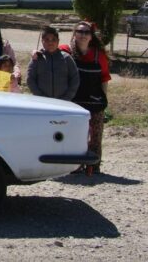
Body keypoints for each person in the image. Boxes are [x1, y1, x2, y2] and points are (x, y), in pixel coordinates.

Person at [62, 21, 110, 174]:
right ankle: (73, 165)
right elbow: (49, 55)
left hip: (94, 99)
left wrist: (103, 101)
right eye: (80, 32)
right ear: (74, 33)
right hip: (72, 101)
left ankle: (93, 165)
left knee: (95, 134)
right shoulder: (65, 51)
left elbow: (104, 79)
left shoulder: (99, 55)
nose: (83, 35)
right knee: (73, 134)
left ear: (91, 36)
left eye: (86, 32)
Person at [26, 26, 80, 101]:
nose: (50, 42)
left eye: (53, 39)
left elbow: (75, 79)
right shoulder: (37, 58)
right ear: (42, 41)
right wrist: (40, 96)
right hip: (42, 102)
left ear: (58, 41)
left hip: (64, 102)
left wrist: (67, 97)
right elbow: (30, 79)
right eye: (47, 39)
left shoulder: (67, 58)